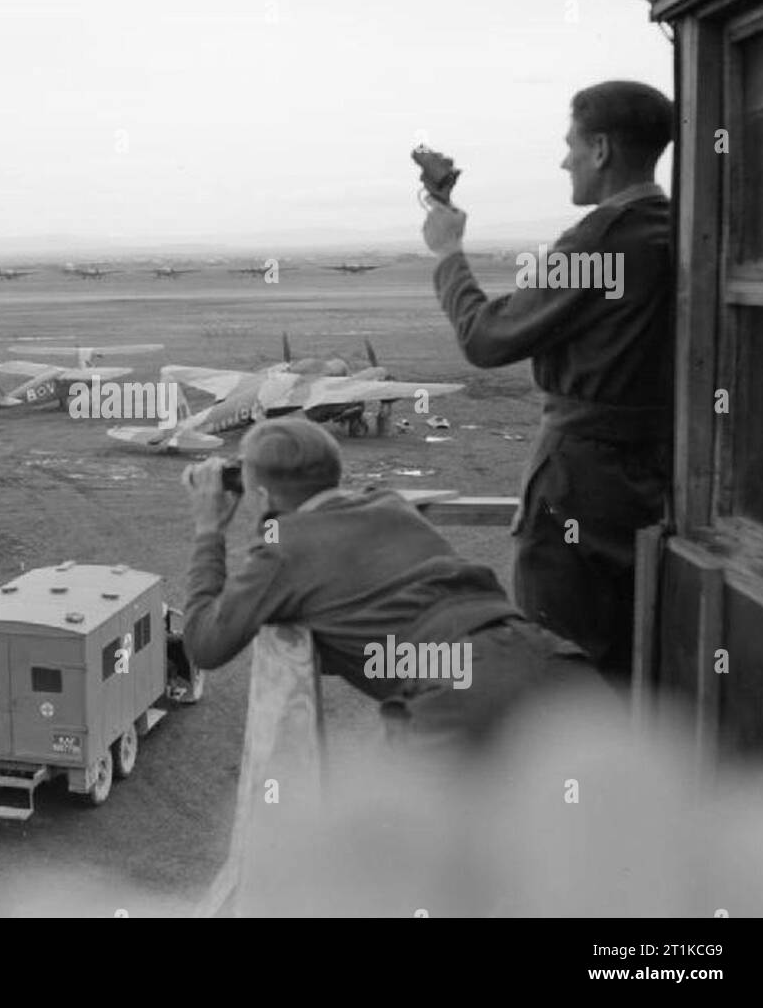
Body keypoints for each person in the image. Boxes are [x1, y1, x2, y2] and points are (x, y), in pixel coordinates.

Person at [422, 80, 674, 684]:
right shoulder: (674, 229)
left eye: (571, 146)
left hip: (581, 481)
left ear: (603, 150)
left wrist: (448, 254)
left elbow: (486, 339)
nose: (565, 161)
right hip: (657, 477)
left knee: (555, 660)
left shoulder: (600, 241)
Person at [181, 418, 601, 748]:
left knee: (403, 847)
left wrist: (208, 530)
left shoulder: (283, 551)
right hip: (554, 661)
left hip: (459, 692)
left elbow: (205, 644)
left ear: (262, 497)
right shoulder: (390, 504)